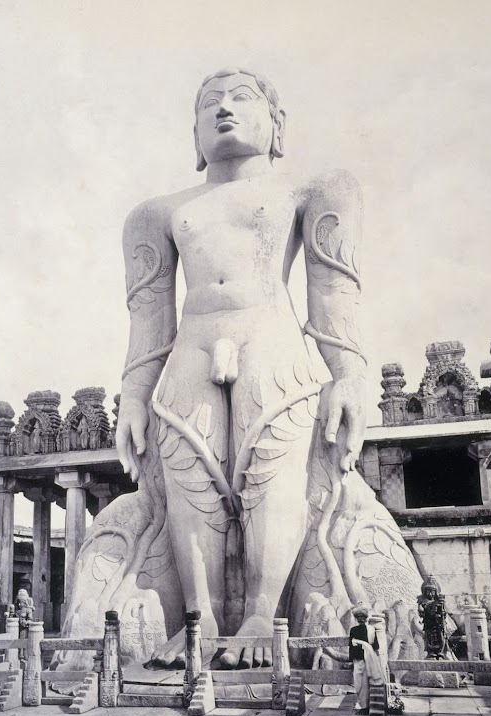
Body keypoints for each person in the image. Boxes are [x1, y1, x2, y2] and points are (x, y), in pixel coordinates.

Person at [115, 67, 366, 669]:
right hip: (190, 354)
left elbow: (334, 291)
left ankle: (261, 613)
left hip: (271, 343)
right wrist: (131, 395)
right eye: (209, 104)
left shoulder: (311, 189)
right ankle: (197, 620)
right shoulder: (157, 213)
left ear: (276, 124)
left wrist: (349, 375)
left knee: (275, 477)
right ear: (193, 133)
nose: (223, 109)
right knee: (188, 486)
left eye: (241, 98)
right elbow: (149, 319)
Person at [348, 606, 380, 714]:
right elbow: (351, 647)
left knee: (366, 683)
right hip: (358, 659)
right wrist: (351, 660)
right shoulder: (353, 630)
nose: (360, 619)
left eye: (362, 617)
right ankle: (362, 704)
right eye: (358, 617)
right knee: (358, 683)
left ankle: (366, 707)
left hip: (368, 659)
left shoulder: (371, 629)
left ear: (366, 618)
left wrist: (375, 656)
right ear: (356, 618)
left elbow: (375, 645)